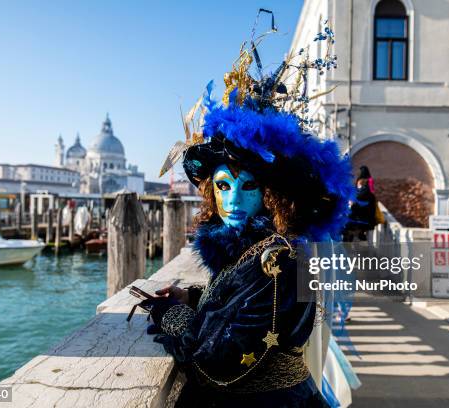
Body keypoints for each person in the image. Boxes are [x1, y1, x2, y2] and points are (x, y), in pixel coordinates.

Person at [137, 21, 355, 407]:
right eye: (223, 186)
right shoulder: (263, 248)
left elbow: (216, 360)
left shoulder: (277, 259)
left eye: (248, 186)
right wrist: (193, 298)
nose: (233, 200)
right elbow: (246, 309)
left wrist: (169, 313)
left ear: (272, 195)